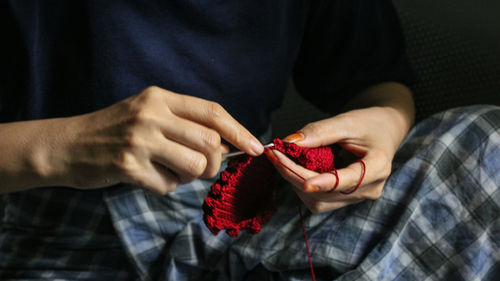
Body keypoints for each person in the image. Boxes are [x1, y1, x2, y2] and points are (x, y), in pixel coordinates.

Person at [1, 0, 499, 280]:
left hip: (255, 222)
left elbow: (379, 81)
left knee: (486, 142)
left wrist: (387, 129)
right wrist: (58, 146)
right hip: (47, 237)